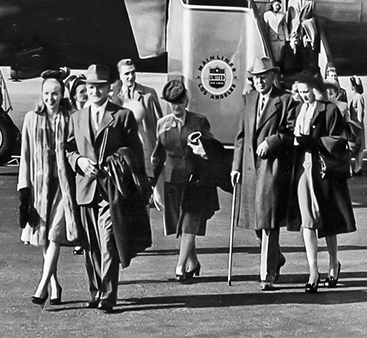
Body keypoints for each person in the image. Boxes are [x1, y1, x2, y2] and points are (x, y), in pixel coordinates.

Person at [66, 64, 151, 313]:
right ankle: (95, 291)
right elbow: (68, 150)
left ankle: (108, 294)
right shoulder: (77, 117)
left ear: (109, 88)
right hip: (85, 188)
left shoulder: (122, 116)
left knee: (108, 241)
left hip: (112, 189)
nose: (95, 91)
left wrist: (123, 168)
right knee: (91, 243)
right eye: (91, 87)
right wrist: (79, 162)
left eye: (100, 87)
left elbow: (135, 152)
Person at [231, 57, 296, 291]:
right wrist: (235, 167)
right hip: (249, 168)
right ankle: (276, 257)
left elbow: (291, 134)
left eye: (263, 76)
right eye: (255, 77)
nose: (259, 81)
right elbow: (241, 136)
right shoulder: (248, 99)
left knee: (268, 221)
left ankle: (266, 275)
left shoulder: (286, 100)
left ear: (272, 76)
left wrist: (273, 141)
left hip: (272, 168)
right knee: (257, 222)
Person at [288, 74, 357, 292]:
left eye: (306, 90)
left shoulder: (329, 110)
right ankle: (313, 271)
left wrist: (314, 141)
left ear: (315, 89)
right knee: (308, 221)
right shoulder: (299, 111)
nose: (302, 95)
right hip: (303, 169)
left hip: (323, 170)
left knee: (327, 221)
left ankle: (333, 263)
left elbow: (338, 139)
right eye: (299, 91)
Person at [150, 78, 222, 281]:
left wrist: (203, 151)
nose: (175, 106)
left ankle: (180, 267)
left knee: (190, 223)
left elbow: (212, 147)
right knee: (181, 226)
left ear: (186, 101)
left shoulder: (199, 121)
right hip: (172, 180)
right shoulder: (162, 125)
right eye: (171, 102)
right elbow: (158, 157)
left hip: (196, 180)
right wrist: (154, 186)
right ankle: (193, 262)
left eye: (179, 102)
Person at [17, 74, 78, 306]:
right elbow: (25, 156)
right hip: (40, 185)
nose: (51, 98)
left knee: (54, 234)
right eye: (46, 94)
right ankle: (54, 284)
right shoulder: (31, 119)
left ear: (62, 94)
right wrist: (24, 189)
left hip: (64, 185)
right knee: (43, 237)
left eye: (55, 93)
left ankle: (42, 285)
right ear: (41, 96)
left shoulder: (71, 118)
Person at [111, 58, 163, 172]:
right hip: (124, 151)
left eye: (133, 72)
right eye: (126, 74)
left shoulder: (148, 94)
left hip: (147, 149)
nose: (131, 76)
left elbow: (160, 124)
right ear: (120, 75)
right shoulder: (115, 97)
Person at [288, 0, 316, 73]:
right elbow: (288, 17)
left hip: (304, 30)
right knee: (293, 49)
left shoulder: (310, 3)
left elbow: (312, 18)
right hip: (294, 29)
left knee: (304, 49)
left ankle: (304, 69)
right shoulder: (291, 2)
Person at [346, 77, 367, 176]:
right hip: (356, 124)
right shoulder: (357, 97)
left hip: (357, 125)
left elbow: (360, 113)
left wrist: (358, 127)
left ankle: (358, 167)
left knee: (359, 146)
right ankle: (357, 167)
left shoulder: (358, 97)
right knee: (358, 147)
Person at [263, 0, 291, 72]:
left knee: (281, 55)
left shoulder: (282, 14)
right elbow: (266, 27)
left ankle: (281, 71)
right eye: (276, 5)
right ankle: (274, 70)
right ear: (272, 5)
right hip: (272, 38)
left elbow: (284, 27)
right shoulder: (267, 14)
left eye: (279, 5)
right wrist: (265, 38)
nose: (277, 7)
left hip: (281, 38)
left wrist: (287, 38)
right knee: (274, 55)